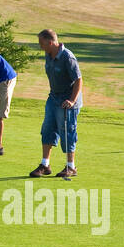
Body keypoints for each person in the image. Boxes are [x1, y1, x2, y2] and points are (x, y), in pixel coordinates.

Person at [30, 28, 82, 179]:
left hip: (68, 101)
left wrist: (72, 100)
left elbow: (79, 80)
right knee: (47, 129)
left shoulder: (68, 57)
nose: (40, 46)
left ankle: (71, 167)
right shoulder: (48, 54)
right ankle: (45, 164)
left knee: (67, 131)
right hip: (53, 98)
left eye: (41, 43)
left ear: (50, 42)